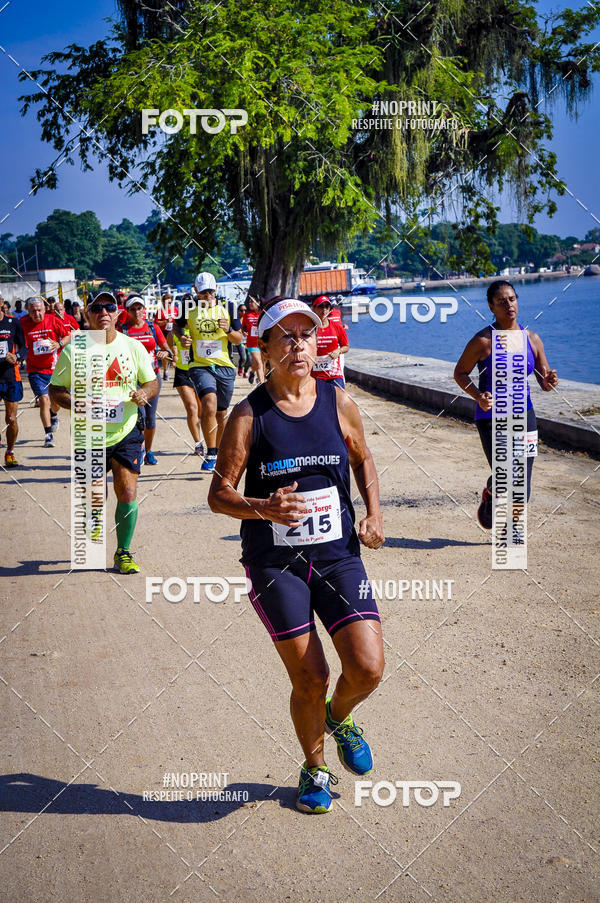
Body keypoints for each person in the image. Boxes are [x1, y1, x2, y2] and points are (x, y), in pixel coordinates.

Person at [208, 296, 385, 814]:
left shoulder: (339, 402)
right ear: (263, 348)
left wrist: (374, 515)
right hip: (275, 564)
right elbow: (218, 496)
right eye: (284, 336)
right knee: (309, 676)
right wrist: (262, 506)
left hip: (337, 556)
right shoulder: (248, 415)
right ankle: (314, 768)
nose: (297, 345)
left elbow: (363, 456)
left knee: (368, 668)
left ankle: (340, 716)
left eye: (305, 334)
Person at [50, 291, 158, 574]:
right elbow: (55, 391)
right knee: (93, 498)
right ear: (88, 316)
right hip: (89, 434)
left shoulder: (133, 347)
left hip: (126, 431)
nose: (103, 312)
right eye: (96, 308)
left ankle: (123, 552)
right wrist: (75, 403)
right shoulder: (75, 350)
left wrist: (143, 393)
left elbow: (152, 382)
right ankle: (93, 522)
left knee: (128, 491)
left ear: (118, 314)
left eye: (109, 307)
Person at [454, 279, 559, 528]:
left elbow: (545, 382)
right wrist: (479, 395)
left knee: (523, 477)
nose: (508, 305)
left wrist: (551, 380)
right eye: (501, 301)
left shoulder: (531, 339)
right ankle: (492, 492)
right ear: (491, 307)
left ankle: (513, 529)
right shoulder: (483, 341)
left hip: (525, 414)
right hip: (491, 417)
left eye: (512, 299)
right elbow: (460, 373)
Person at [175, 272, 243, 471]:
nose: (208, 295)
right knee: (209, 404)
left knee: (221, 414)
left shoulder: (228, 308)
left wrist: (228, 330)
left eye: (211, 291)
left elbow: (239, 339)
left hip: (225, 366)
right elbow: (176, 328)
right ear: (196, 291)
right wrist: (183, 338)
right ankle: (211, 452)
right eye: (203, 292)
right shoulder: (189, 309)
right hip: (200, 366)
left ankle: (220, 451)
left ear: (216, 290)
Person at [118, 295, 171, 465]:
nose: (137, 312)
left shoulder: (153, 327)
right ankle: (138, 450)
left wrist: (165, 354)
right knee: (137, 417)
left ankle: (148, 451)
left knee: (150, 418)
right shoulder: (123, 330)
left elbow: (167, 350)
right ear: (128, 312)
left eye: (139, 308)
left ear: (144, 309)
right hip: (132, 381)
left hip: (152, 378)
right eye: (132, 309)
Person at [20, 297, 71, 447]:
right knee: (44, 400)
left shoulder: (53, 320)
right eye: (33, 311)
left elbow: (68, 335)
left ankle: (54, 414)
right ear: (28, 312)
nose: (37, 314)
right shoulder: (23, 323)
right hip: (36, 370)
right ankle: (48, 435)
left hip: (55, 369)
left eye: (39, 310)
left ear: (44, 309)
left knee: (56, 402)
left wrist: (59, 343)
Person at [168, 292, 204, 456]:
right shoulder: (175, 330)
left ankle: (209, 441)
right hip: (183, 373)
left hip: (199, 371)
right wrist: (171, 356)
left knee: (204, 411)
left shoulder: (200, 327)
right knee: (192, 408)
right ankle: (198, 443)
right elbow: (167, 349)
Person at [0, 300, 25, 466]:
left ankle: (10, 452)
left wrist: (18, 357)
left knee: (11, 418)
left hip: (10, 376)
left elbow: (24, 347)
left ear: (1, 303)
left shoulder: (12, 322)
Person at [310, 296, 349, 389]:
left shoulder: (337, 327)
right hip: (314, 375)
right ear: (313, 308)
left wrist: (338, 351)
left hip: (334, 374)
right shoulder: (308, 328)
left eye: (327, 306)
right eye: (320, 306)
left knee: (340, 401)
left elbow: (346, 346)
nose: (324, 310)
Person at [241, 295, 264, 384]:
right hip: (251, 343)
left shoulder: (262, 313)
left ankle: (252, 372)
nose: (250, 303)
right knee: (258, 362)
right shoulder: (247, 314)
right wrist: (243, 332)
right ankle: (262, 385)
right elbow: (243, 327)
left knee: (259, 362)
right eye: (249, 302)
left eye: (252, 301)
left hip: (262, 342)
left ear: (258, 303)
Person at [154, 292, 176, 381]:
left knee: (175, 350)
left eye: (170, 303)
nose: (168, 304)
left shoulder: (175, 309)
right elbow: (156, 323)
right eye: (166, 303)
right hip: (164, 332)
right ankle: (166, 371)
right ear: (163, 303)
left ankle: (178, 371)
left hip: (174, 332)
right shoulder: (160, 311)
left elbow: (178, 320)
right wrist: (165, 321)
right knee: (165, 352)